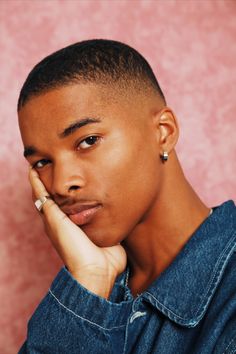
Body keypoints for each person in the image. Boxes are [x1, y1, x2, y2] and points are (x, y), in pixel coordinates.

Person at [17, 39, 235, 354]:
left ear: (164, 132)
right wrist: (89, 282)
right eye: (42, 162)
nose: (62, 184)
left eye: (88, 141)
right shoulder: (89, 286)